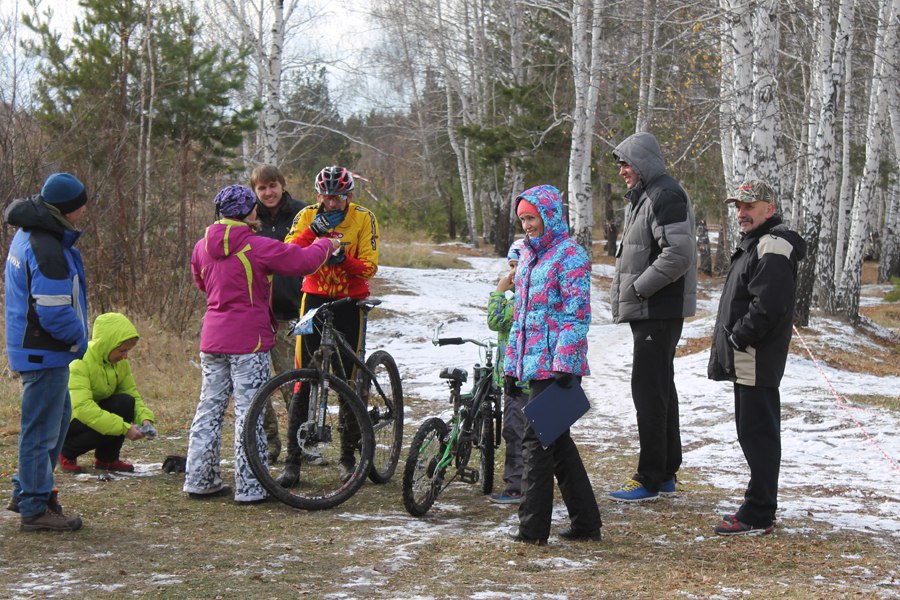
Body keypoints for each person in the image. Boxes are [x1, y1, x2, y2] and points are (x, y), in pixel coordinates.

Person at [185, 184, 341, 504]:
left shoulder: (201, 246)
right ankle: (252, 487)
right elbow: (302, 262)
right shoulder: (256, 245)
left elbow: (202, 282)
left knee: (208, 410)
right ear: (247, 212)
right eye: (253, 205)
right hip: (249, 340)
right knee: (250, 412)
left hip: (212, 339)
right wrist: (327, 244)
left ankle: (200, 480)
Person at [504, 184, 601, 545]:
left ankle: (532, 530)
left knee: (536, 440)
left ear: (549, 215)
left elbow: (577, 314)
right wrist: (511, 367)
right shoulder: (528, 256)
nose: (527, 225)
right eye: (523, 219)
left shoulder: (570, 255)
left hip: (558, 365)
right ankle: (586, 523)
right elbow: (520, 318)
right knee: (557, 443)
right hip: (533, 363)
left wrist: (565, 362)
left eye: (532, 217)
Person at [709, 180, 806, 535]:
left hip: (754, 356)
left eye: (749, 206)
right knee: (753, 433)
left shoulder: (773, 245)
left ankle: (759, 513)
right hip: (747, 356)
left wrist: (739, 336)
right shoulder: (757, 243)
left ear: (770, 208)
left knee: (758, 435)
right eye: (738, 206)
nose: (741, 213)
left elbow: (769, 304)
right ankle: (758, 506)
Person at [608, 131, 697, 503]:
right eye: (620, 165)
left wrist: (639, 289)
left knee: (648, 391)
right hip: (652, 310)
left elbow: (678, 254)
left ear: (643, 162)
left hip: (657, 309)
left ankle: (649, 477)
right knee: (659, 389)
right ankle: (665, 472)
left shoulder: (665, 195)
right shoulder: (646, 195)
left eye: (626, 163)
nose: (622, 171)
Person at [279, 165, 380, 486]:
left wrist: (344, 261)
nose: (332, 202)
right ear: (318, 195)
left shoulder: (363, 218)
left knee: (347, 379)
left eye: (338, 197)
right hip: (314, 299)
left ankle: (348, 457)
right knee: (302, 377)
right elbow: (288, 253)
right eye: (326, 196)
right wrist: (313, 232)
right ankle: (292, 461)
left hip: (350, 302)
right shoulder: (308, 215)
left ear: (349, 195)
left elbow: (369, 267)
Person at [4, 172, 89, 532]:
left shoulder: (30, 232)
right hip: (44, 350)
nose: (84, 211)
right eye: (81, 205)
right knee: (41, 431)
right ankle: (35, 507)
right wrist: (80, 339)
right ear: (68, 209)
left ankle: (26, 492)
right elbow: (53, 312)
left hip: (36, 348)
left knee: (56, 419)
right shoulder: (47, 248)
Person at [250, 164, 307, 463]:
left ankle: (301, 445)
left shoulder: (302, 213)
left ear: (282, 185)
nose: (268, 192)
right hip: (256, 316)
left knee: (294, 384)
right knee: (258, 386)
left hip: (291, 314)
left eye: (272, 185)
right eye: (262, 188)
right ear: (254, 191)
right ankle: (269, 445)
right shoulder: (248, 218)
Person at [59, 312, 156, 474]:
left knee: (126, 402)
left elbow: (131, 394)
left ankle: (107, 459)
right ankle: (66, 452)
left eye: (128, 351)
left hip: (91, 412)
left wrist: (145, 419)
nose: (125, 356)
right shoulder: (79, 361)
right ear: (106, 346)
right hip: (69, 420)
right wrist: (125, 429)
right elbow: (83, 409)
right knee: (106, 423)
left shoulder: (120, 362)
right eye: (122, 350)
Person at [486, 239, 529, 505]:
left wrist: (499, 292)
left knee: (515, 431)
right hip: (514, 374)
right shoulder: (519, 293)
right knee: (520, 431)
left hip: (520, 379)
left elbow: (496, 320)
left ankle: (516, 487)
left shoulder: (523, 296)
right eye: (511, 266)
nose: (513, 272)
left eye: (518, 265)